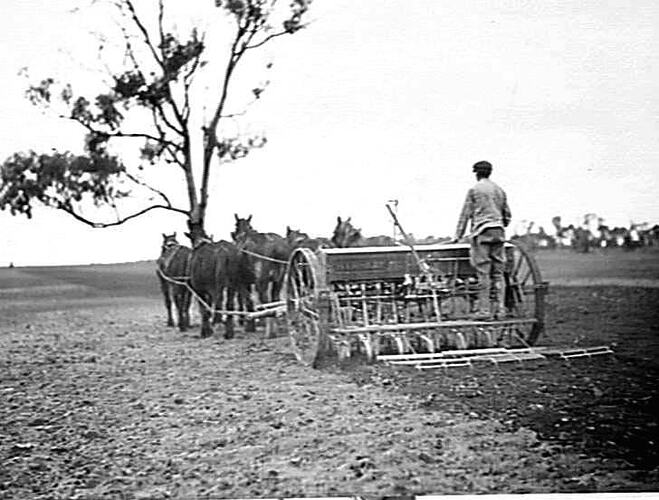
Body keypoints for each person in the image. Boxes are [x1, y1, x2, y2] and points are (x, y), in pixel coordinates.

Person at [453, 160, 511, 319]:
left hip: (482, 231)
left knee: (483, 272)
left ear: (477, 173)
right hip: (499, 232)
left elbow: (465, 214)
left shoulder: (474, 190)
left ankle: (484, 311)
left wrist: (458, 236)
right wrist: (499, 222)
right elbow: (507, 215)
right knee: (498, 273)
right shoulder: (499, 190)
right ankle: (500, 310)